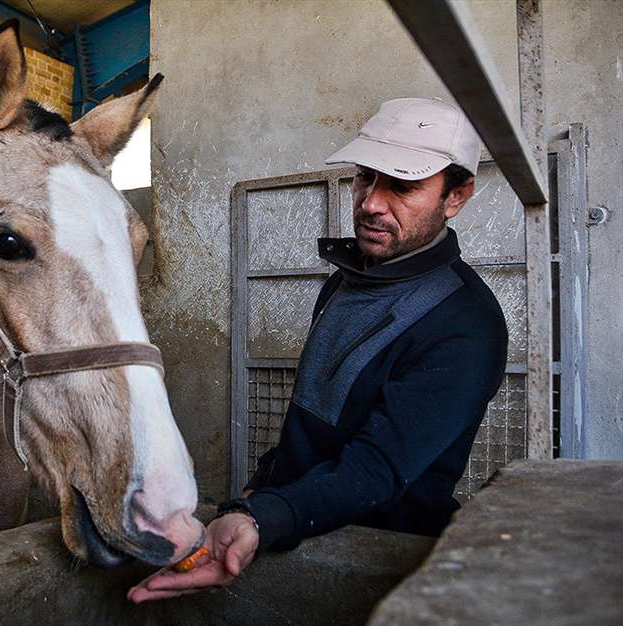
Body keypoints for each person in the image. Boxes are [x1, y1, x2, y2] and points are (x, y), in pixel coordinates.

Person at [129, 97, 508, 603]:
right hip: (297, 523)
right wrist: (257, 493)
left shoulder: (466, 324)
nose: (372, 202)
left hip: (380, 556)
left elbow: (376, 469)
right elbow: (309, 424)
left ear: (456, 196)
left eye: (403, 186)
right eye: (365, 177)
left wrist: (266, 517)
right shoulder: (345, 283)